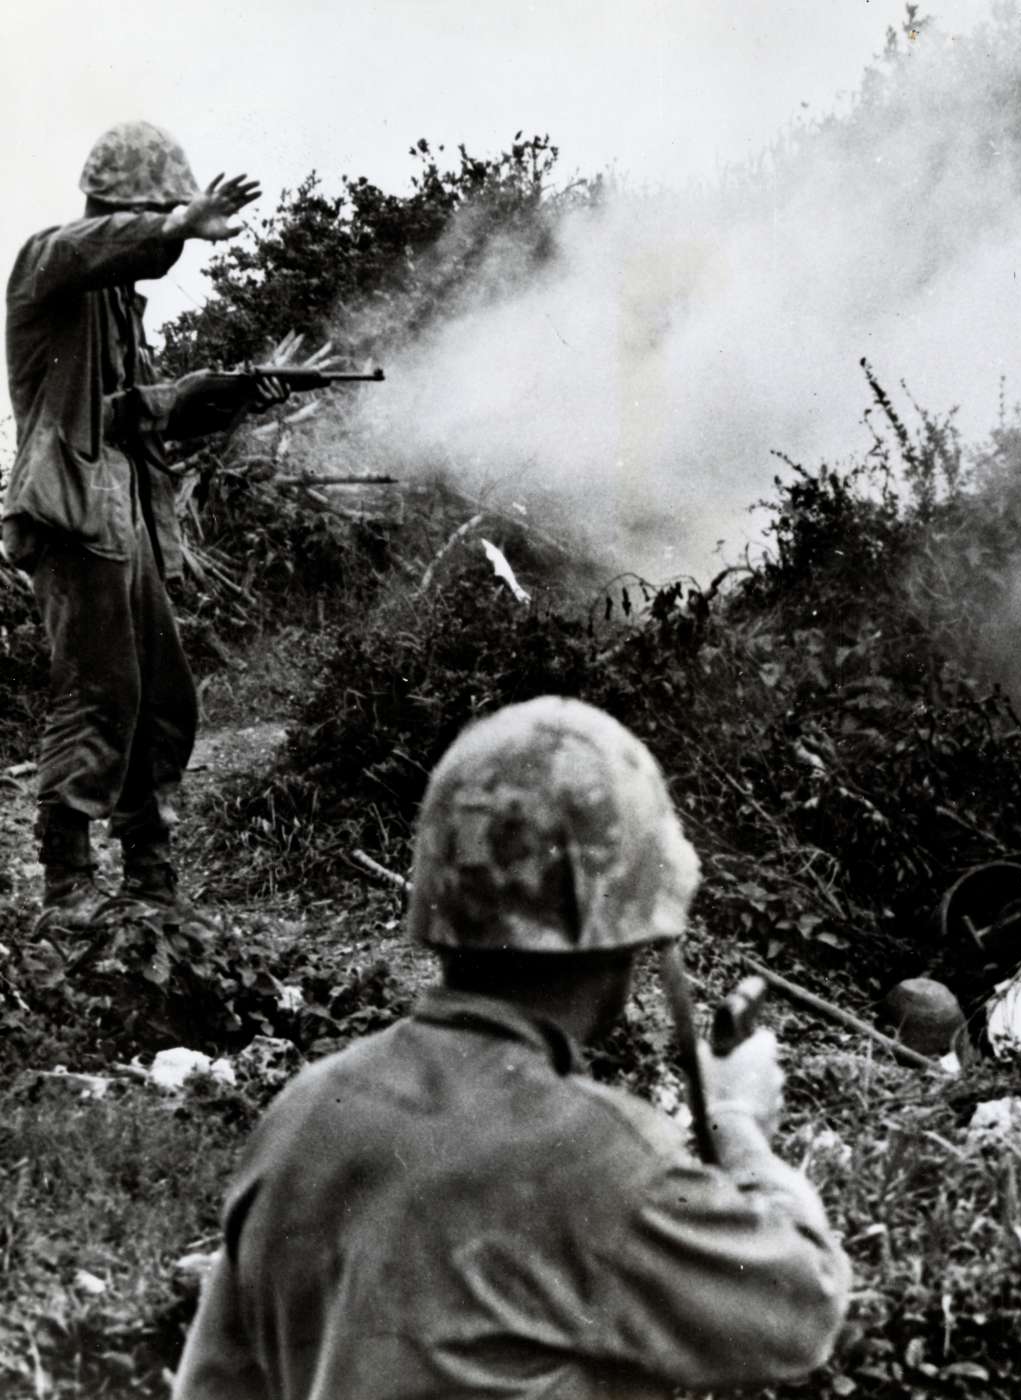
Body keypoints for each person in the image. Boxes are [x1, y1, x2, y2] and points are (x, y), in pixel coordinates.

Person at [171, 696, 853, 1399]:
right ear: (629, 932)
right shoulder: (599, 1155)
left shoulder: (303, 1113)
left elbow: (212, 1385)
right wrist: (735, 1123)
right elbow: (802, 1308)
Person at [5, 120, 307, 928]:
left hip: (123, 513)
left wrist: (234, 389)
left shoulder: (116, 312)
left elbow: (137, 416)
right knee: (99, 692)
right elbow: (85, 249)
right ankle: (67, 884)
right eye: (166, 214)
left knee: (164, 699)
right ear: (125, 210)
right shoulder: (49, 264)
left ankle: (150, 881)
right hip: (71, 511)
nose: (177, 234)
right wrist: (173, 225)